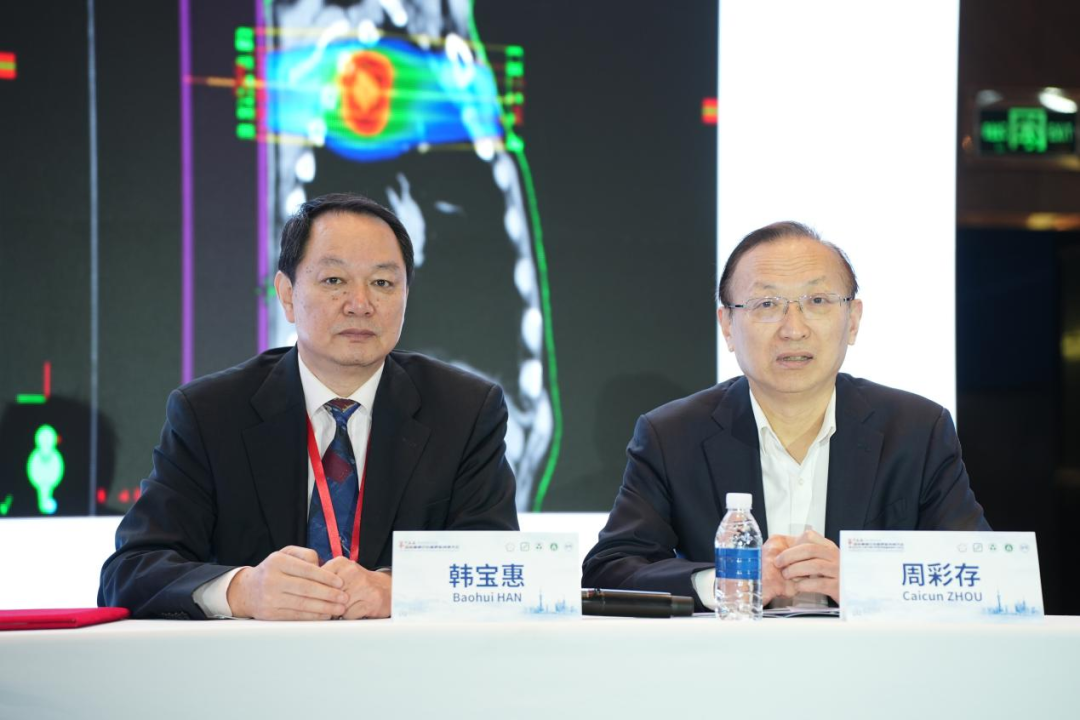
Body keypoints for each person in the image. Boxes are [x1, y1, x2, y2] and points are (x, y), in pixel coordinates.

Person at [99, 193, 518, 620]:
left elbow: (504, 569)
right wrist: (243, 590)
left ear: (406, 295)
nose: (360, 304)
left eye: (382, 283)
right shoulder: (210, 414)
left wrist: (399, 589)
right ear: (287, 295)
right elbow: (129, 572)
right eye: (334, 280)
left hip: (406, 660)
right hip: (257, 661)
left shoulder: (464, 412)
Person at [581, 221, 989, 611]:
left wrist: (866, 580)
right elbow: (611, 569)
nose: (793, 329)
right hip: (730, 658)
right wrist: (724, 582)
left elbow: (982, 573)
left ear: (853, 320)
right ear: (728, 326)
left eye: (817, 301)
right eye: (767, 304)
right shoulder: (671, 435)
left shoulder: (917, 429)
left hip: (871, 657)